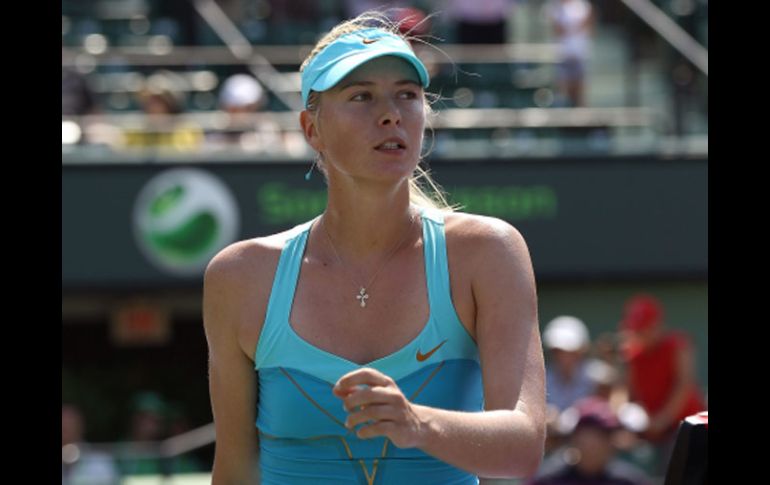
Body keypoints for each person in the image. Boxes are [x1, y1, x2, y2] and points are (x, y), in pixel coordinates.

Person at [203, 11, 545, 485]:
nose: (391, 114)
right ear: (311, 129)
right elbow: (235, 469)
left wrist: (417, 424)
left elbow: (524, 446)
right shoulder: (239, 276)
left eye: (407, 94)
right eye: (361, 96)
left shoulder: (488, 252)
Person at [617, 294, 706, 474]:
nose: (639, 334)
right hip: (649, 430)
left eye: (644, 328)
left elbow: (684, 384)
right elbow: (627, 393)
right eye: (636, 329)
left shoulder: (677, 345)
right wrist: (627, 422)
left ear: (657, 325)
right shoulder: (632, 355)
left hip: (684, 428)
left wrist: (661, 420)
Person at [526, 397, 653, 485]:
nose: (595, 445)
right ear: (575, 439)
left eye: (603, 437)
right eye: (591, 436)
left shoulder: (629, 481)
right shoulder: (548, 480)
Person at [547, 0, 594, 107]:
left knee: (580, 91)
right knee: (563, 90)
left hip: (579, 54)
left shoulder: (582, 6)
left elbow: (588, 24)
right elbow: (557, 29)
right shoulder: (554, 7)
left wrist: (571, 29)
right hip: (562, 54)